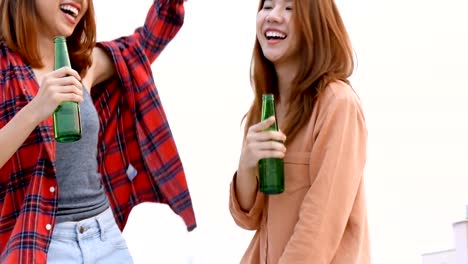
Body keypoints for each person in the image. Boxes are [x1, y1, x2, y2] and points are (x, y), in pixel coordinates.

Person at [0, 0, 196, 263]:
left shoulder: (82, 65)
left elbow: (148, 40)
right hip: (43, 246)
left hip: (106, 236)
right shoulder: (4, 70)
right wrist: (36, 109)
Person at [229, 0, 370, 263]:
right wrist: (246, 165)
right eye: (268, 6)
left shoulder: (337, 103)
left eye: (290, 8)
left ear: (315, 23)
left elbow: (321, 224)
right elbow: (247, 217)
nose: (274, 16)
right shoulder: (264, 109)